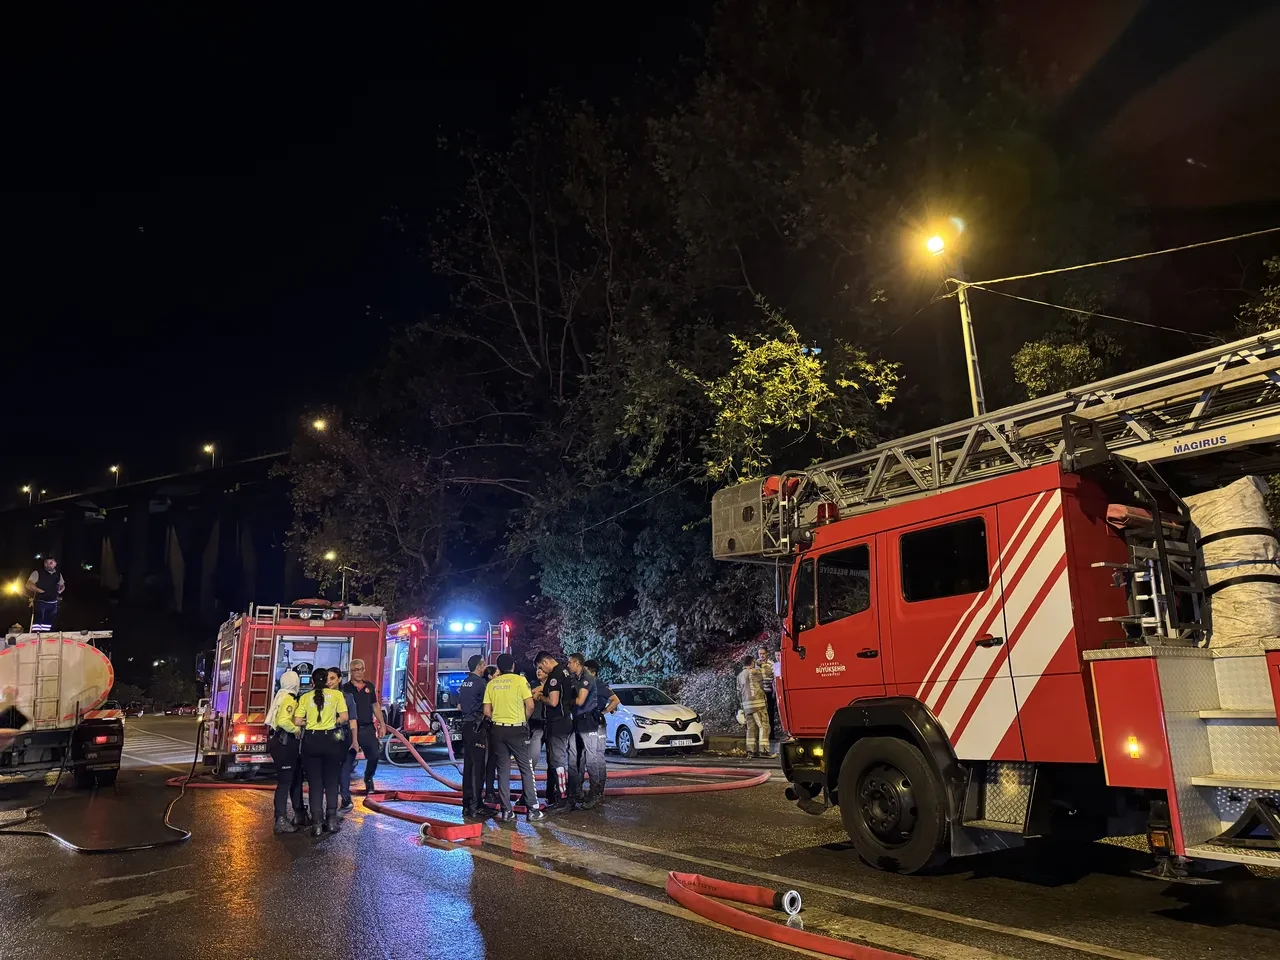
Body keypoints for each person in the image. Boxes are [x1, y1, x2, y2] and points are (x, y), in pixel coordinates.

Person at [482, 653, 545, 823]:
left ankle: (506, 811)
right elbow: (530, 705)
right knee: (526, 768)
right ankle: (532, 810)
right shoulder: (520, 681)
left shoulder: (492, 684)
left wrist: (498, 718)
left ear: (499, 667)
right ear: (513, 666)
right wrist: (524, 720)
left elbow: (486, 711)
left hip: (497, 730)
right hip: (517, 729)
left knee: (503, 770)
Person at [295, 666, 350, 836]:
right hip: (331, 741)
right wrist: (333, 722)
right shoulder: (337, 695)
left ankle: (317, 824)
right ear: (327, 680)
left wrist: (310, 722)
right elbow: (345, 717)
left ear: (312, 682)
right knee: (332, 782)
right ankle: (331, 821)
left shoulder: (305, 697)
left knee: (315, 785)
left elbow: (297, 721)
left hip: (311, 741)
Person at [265, 670, 305, 833]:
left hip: (282, 743)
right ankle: (280, 819)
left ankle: (299, 814)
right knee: (285, 782)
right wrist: (296, 729)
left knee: (296, 778)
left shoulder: (280, 696)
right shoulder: (289, 698)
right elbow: (283, 721)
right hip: (285, 743)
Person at [534, 650, 573, 812]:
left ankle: (562, 799)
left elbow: (553, 701)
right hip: (565, 720)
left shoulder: (555, 676)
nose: (541, 670)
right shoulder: (564, 671)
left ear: (545, 662)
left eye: (540, 666)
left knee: (558, 762)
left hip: (557, 722)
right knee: (557, 760)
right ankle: (557, 795)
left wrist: (540, 698)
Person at [567, 652, 606, 810]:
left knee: (591, 758)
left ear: (577, 663)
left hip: (588, 722)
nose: (568, 665)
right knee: (577, 757)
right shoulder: (576, 678)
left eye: (570, 662)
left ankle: (595, 792)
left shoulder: (587, 678)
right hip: (577, 721)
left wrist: (565, 701)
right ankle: (576, 791)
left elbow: (580, 700)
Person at [341, 658, 384, 794]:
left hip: (367, 728)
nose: (359, 672)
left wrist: (382, 724)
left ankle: (369, 778)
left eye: (361, 669)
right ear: (351, 671)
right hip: (351, 730)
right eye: (355, 670)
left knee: (374, 755)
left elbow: (375, 705)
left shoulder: (369, 687)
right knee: (347, 761)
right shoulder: (345, 689)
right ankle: (344, 790)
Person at [456, 654, 489, 820]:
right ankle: (477, 806)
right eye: (483, 664)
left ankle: (466, 805)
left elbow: (460, 706)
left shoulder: (464, 683)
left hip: (467, 727)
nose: (485, 667)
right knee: (478, 768)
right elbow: (488, 706)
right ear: (478, 666)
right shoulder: (481, 683)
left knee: (468, 766)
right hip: (478, 727)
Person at [737, 655, 774, 759]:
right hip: (758, 705)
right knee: (764, 726)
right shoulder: (755, 672)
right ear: (752, 662)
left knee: (751, 729)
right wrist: (760, 663)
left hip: (746, 706)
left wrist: (742, 706)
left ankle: (751, 751)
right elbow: (769, 672)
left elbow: (738, 693)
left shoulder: (740, 675)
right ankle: (764, 751)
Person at [336, 669, 360, 812]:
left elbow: (352, 720)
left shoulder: (347, 697)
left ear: (339, 679)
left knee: (344, 769)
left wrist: (355, 740)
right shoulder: (323, 696)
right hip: (326, 736)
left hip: (343, 735)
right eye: (327, 679)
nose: (329, 682)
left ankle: (345, 799)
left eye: (332, 678)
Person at [25, 557, 64, 629]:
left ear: (55, 564)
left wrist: (59, 590)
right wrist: (40, 590)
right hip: (40, 602)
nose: (48, 564)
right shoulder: (37, 573)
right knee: (38, 621)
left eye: (51, 563)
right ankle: (35, 634)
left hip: (53, 603)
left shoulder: (58, 574)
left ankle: (46, 634)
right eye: (47, 563)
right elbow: (29, 584)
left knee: (48, 623)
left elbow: (62, 585)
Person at [482, 663, 500, 803]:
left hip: (486, 728)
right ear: (490, 676)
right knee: (490, 761)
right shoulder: (489, 689)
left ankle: (488, 791)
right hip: (489, 728)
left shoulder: (486, 687)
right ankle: (489, 792)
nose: (499, 678)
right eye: (497, 675)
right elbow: (488, 711)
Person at [757, 645, 777, 731]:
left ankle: (771, 733)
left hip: (769, 691)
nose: (762, 655)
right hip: (760, 692)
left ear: (767, 654)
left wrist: (774, 691)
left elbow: (774, 677)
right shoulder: (756, 664)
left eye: (763, 653)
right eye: (760, 654)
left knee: (770, 713)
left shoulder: (771, 664)